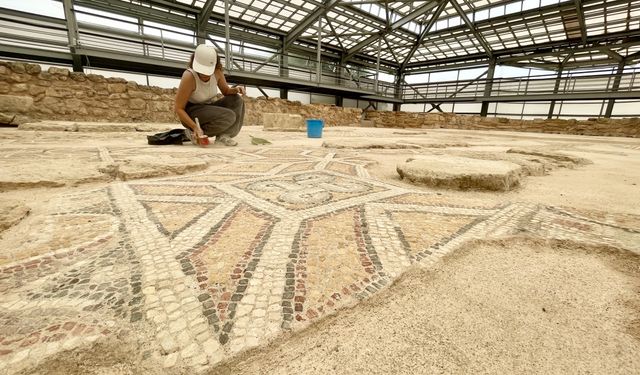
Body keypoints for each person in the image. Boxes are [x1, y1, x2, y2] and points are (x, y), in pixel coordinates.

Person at [175, 44, 245, 146]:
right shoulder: (189, 76)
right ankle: (192, 134)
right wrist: (194, 127)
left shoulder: (217, 72)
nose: (204, 74)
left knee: (237, 100)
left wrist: (236, 90)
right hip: (192, 112)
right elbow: (178, 108)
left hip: (209, 108)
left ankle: (224, 136)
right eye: (201, 71)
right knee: (229, 116)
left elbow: (226, 91)